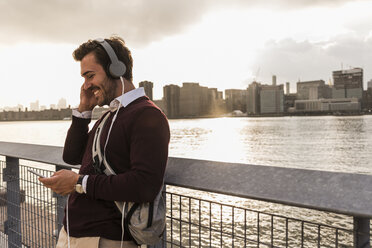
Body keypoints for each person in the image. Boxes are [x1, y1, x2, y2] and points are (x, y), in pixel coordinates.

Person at [39, 36, 170, 248]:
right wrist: (84, 110)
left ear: (116, 69)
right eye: (84, 77)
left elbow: (145, 185)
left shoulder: (147, 115)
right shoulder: (109, 115)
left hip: (105, 240)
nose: (86, 85)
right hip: (73, 234)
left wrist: (78, 183)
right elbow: (71, 157)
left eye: (90, 75)